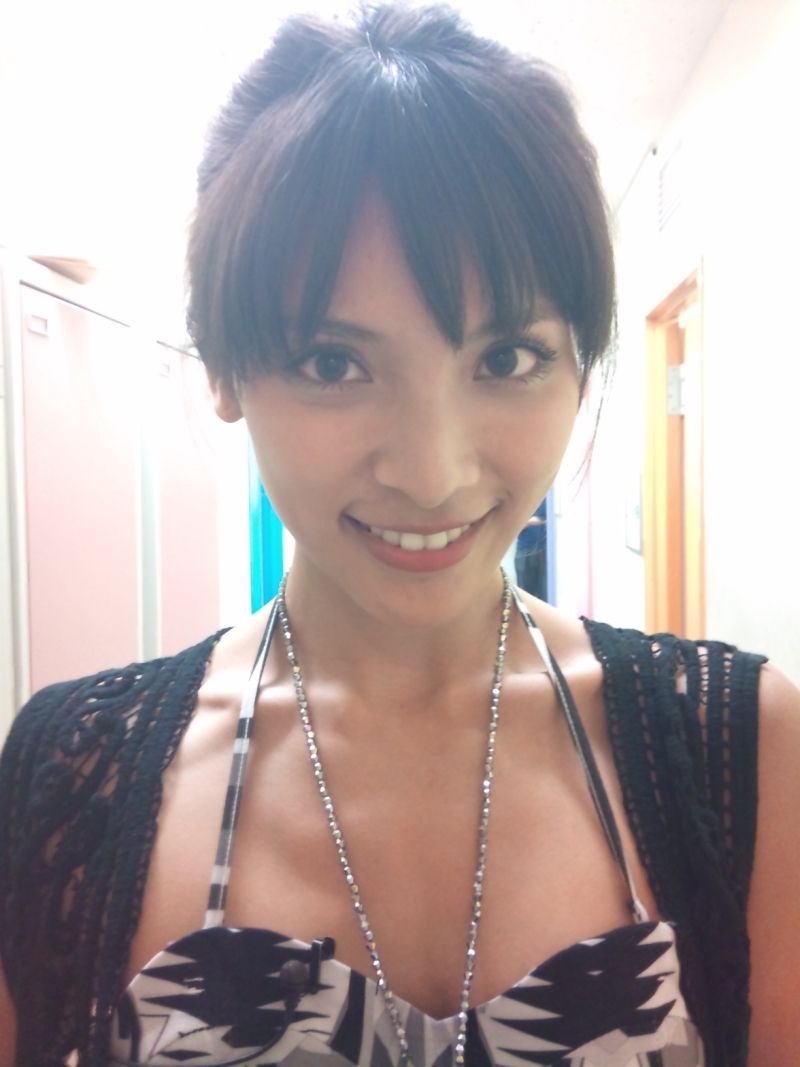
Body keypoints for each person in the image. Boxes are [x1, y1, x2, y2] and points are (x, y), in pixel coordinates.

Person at [1, 5, 798, 1066]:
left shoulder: (737, 748)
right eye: (333, 362)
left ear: (579, 365)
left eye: (506, 358)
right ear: (225, 370)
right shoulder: (70, 776)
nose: (432, 472)